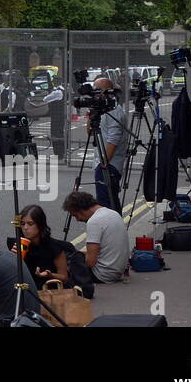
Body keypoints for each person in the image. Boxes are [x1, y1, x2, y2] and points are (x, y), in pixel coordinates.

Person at [62, 190, 129, 283]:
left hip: (102, 275)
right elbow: (103, 250)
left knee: (64, 263)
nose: (77, 219)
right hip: (117, 271)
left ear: (80, 209)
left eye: (75, 215)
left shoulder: (94, 222)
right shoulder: (113, 213)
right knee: (74, 255)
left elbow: (90, 262)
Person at [13, 204, 71, 289]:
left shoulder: (54, 247)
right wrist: (13, 258)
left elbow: (64, 278)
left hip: (49, 290)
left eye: (30, 223)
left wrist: (50, 275)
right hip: (27, 289)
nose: (25, 228)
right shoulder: (19, 244)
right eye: (22, 223)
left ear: (40, 225)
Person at [91, 76, 126, 211]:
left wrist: (103, 164)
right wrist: (92, 113)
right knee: (104, 199)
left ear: (108, 92)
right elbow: (90, 132)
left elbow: (113, 140)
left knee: (107, 202)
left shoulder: (115, 112)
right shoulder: (100, 110)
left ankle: (112, 228)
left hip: (109, 165)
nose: (95, 93)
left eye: (98, 90)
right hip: (100, 162)